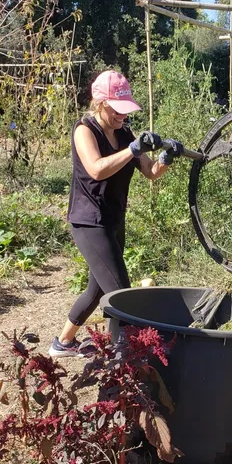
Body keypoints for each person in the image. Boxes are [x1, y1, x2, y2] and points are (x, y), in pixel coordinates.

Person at [49, 71, 184, 357]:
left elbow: (151, 172)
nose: (122, 116)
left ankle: (63, 343)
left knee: (98, 289)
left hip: (113, 218)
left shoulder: (124, 132)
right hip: (89, 221)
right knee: (123, 295)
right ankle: (126, 359)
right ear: (100, 103)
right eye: (117, 109)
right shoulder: (84, 130)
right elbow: (96, 168)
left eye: (126, 109)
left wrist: (165, 156)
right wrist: (132, 149)